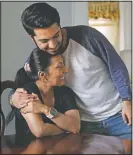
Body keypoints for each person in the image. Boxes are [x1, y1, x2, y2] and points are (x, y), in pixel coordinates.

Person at [9, 2, 131, 140]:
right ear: (32, 38)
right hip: (84, 124)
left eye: (56, 35)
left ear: (60, 26)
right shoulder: (38, 56)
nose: (53, 45)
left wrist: (127, 100)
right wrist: (12, 98)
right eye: (44, 40)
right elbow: (23, 80)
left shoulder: (88, 36)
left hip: (120, 116)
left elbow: (116, 67)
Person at [8, 48, 80, 138]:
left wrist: (45, 109)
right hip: (29, 148)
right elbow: (40, 131)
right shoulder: (25, 93)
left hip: (59, 146)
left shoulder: (65, 91)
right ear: (43, 75)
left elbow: (75, 127)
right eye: (59, 67)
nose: (66, 70)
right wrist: (66, 128)